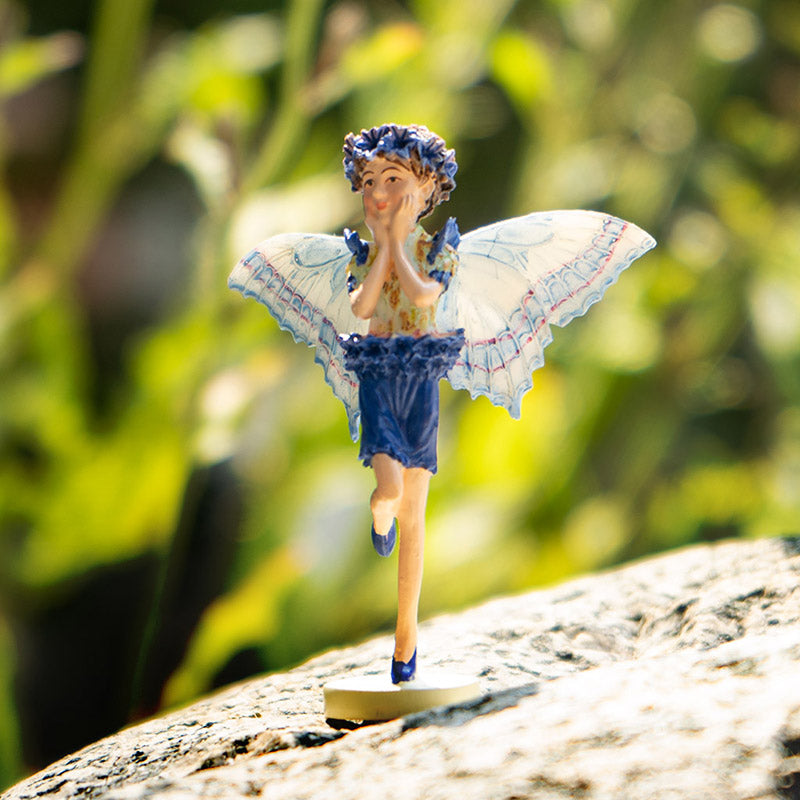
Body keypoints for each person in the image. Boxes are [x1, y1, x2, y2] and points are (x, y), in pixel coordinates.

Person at [338, 124, 464, 683]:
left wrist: (396, 244)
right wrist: (384, 247)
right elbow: (364, 307)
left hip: (421, 375)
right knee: (389, 489)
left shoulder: (439, 250)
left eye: (392, 180)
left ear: (426, 187)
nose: (379, 192)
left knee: (415, 514)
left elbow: (423, 294)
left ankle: (405, 639)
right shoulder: (363, 255)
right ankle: (379, 510)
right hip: (379, 375)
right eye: (369, 182)